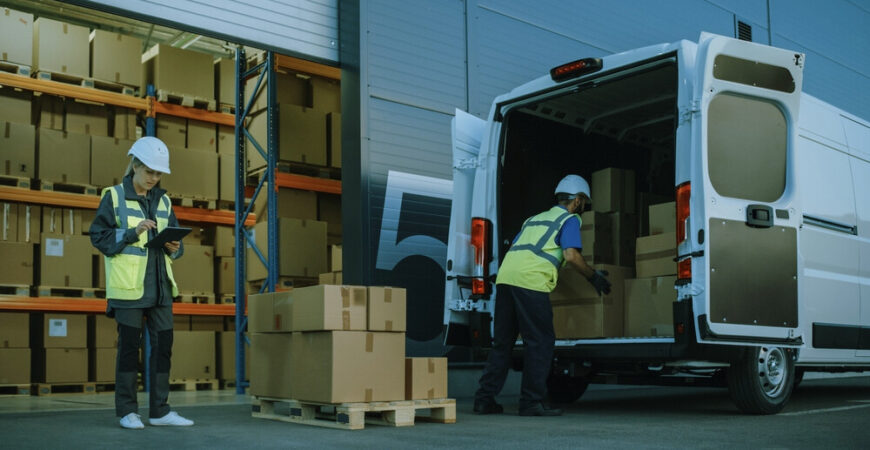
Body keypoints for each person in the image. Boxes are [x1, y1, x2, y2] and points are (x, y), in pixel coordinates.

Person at [473, 174, 611, 417]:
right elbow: (571, 256)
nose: (583, 207)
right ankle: (530, 403)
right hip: (530, 282)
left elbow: (516, 248)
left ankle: (484, 400)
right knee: (540, 343)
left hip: (506, 278)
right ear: (577, 201)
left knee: (502, 344)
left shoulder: (533, 219)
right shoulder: (570, 219)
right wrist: (593, 276)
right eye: (584, 203)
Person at [89, 136, 194, 429]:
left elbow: (173, 239)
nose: (153, 177)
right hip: (129, 288)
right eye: (148, 170)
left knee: (163, 347)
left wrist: (176, 247)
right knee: (128, 349)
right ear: (134, 165)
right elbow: (99, 236)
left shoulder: (163, 200)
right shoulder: (113, 196)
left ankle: (160, 411)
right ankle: (127, 411)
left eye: (158, 173)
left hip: (160, 287)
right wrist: (133, 232)